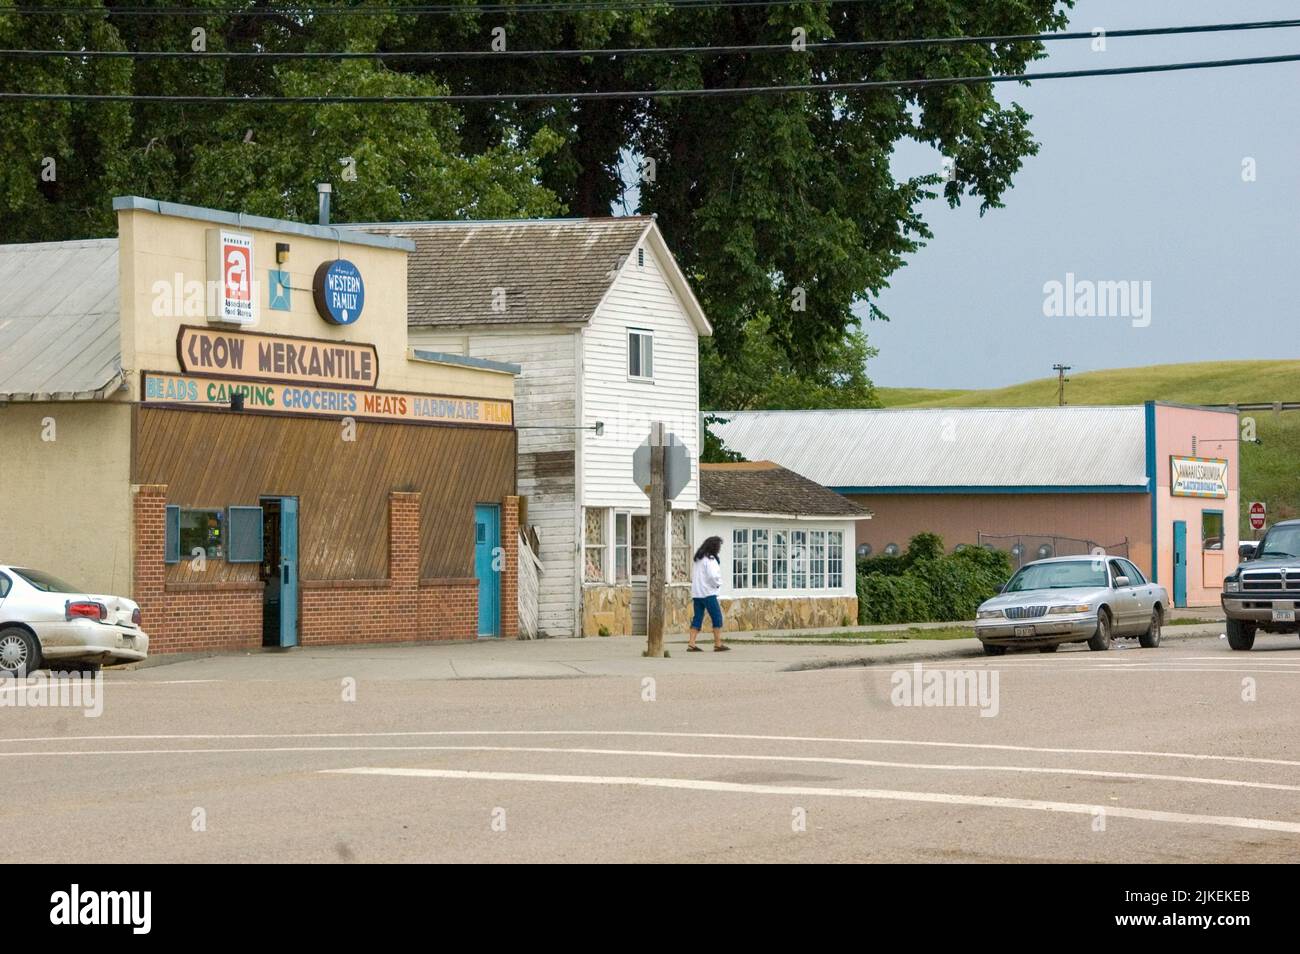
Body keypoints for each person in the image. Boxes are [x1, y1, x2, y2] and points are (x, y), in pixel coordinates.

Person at [688, 536, 728, 652]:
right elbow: (712, 576)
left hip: (697, 593)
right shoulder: (710, 559)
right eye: (719, 546)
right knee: (717, 617)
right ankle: (718, 643)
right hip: (708, 593)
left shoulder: (698, 558)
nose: (719, 549)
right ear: (714, 547)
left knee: (698, 617)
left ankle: (691, 643)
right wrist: (718, 583)